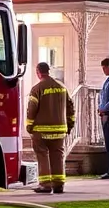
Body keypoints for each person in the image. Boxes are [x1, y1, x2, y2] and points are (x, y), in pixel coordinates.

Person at [25, 61, 75, 194]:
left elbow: (31, 109)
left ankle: (45, 185)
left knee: (42, 155)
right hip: (59, 130)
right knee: (58, 155)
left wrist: (29, 125)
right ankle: (59, 185)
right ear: (48, 71)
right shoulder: (62, 88)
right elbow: (71, 108)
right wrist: (70, 125)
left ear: (38, 72)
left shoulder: (37, 89)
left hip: (41, 131)